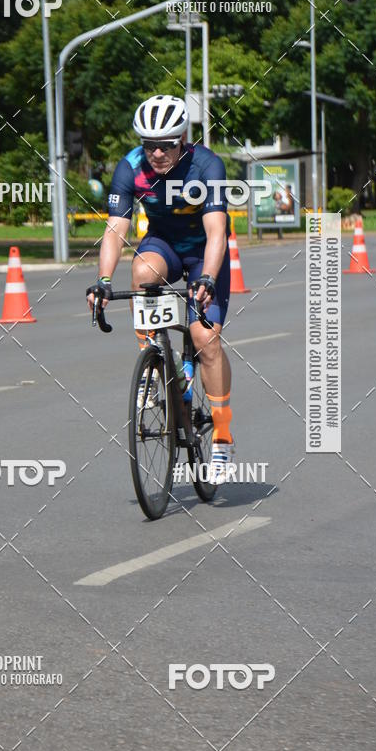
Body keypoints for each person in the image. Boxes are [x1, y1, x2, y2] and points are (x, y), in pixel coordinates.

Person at [86, 94, 233, 485]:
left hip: (204, 253)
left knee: (205, 340)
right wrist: (103, 281)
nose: (156, 153)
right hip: (164, 245)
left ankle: (222, 435)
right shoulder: (131, 167)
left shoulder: (206, 166)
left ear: (182, 138)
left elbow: (217, 231)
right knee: (141, 271)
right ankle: (151, 364)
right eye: (149, 145)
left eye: (165, 145)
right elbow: (115, 229)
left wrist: (208, 278)